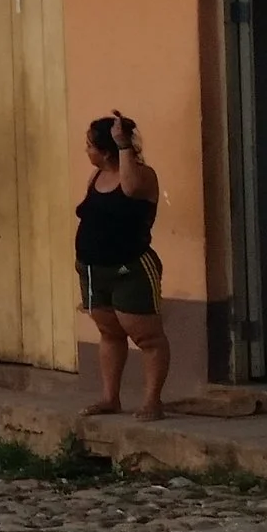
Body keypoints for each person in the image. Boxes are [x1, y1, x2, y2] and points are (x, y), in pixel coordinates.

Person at [78, 110, 167, 421]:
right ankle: (109, 397)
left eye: (90, 146)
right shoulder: (96, 176)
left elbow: (129, 190)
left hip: (130, 267)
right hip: (93, 268)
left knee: (147, 338)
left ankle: (152, 401)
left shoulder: (143, 176)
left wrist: (125, 146)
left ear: (105, 151)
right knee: (109, 333)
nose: (86, 151)